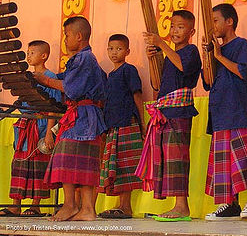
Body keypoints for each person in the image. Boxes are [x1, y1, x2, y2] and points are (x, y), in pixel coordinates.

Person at [34, 16, 107, 221]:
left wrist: (45, 80)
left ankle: (72, 206)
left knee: (65, 157)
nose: (65, 40)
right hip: (84, 116)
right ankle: (85, 209)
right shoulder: (82, 59)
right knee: (82, 163)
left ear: (79, 36)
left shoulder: (85, 58)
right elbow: (66, 79)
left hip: (83, 117)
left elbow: (71, 88)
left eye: (67, 35)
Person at [202, 3, 247, 221]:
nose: (212, 26)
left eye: (215, 20)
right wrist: (208, 55)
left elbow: (243, 71)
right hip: (220, 112)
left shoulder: (242, 45)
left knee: (245, 159)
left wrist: (219, 56)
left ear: (229, 22)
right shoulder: (216, 51)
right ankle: (230, 204)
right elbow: (208, 82)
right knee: (227, 162)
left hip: (240, 110)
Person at [136, 10, 201, 222]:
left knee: (178, 159)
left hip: (179, 111)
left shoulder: (191, 51)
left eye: (180, 27)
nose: (175, 31)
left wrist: (162, 45)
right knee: (167, 160)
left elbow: (183, 67)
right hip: (164, 111)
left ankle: (182, 206)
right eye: (172, 26)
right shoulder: (169, 56)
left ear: (191, 31)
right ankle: (177, 205)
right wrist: (152, 58)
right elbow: (156, 84)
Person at [0, 41, 61, 217]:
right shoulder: (26, 77)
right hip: (25, 126)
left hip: (41, 126)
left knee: (38, 165)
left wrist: (49, 133)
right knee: (18, 164)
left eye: (32, 52)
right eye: (27, 52)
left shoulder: (51, 77)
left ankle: (35, 206)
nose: (29, 56)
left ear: (44, 56)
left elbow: (53, 109)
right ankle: (15, 205)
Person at [97, 34, 145, 219]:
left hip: (127, 123)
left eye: (119, 49)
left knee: (126, 166)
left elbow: (137, 96)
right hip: (113, 126)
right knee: (115, 166)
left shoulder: (129, 70)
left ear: (127, 51)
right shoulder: (110, 75)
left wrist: (142, 123)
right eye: (111, 48)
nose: (114, 52)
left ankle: (126, 207)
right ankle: (120, 205)